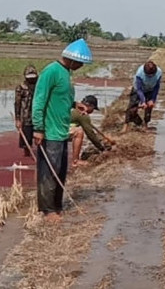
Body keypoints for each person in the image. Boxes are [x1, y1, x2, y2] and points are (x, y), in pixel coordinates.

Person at [32, 39, 92, 222]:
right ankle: (48, 210)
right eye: (80, 63)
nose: (81, 66)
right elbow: (39, 101)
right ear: (72, 60)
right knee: (49, 171)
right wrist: (38, 128)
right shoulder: (51, 71)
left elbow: (62, 98)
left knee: (60, 171)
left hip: (61, 130)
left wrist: (76, 104)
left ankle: (57, 205)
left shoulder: (66, 74)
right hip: (49, 131)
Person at [69, 94, 111, 167]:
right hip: (60, 131)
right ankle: (75, 161)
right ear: (90, 106)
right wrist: (102, 149)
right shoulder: (83, 115)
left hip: (56, 127)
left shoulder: (75, 109)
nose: (92, 112)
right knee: (79, 132)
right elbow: (91, 135)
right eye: (93, 109)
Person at [123, 60, 162, 132]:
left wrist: (153, 99)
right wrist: (143, 101)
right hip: (138, 89)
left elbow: (157, 87)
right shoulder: (140, 73)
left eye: (152, 75)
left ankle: (145, 125)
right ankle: (126, 125)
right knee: (131, 107)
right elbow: (139, 89)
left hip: (150, 89)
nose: (150, 77)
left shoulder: (159, 73)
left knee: (149, 107)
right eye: (148, 75)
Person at [14, 65, 38, 158]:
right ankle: (27, 153)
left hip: (38, 115)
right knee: (26, 139)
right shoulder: (21, 87)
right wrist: (18, 119)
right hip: (26, 116)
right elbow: (17, 103)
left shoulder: (39, 86)